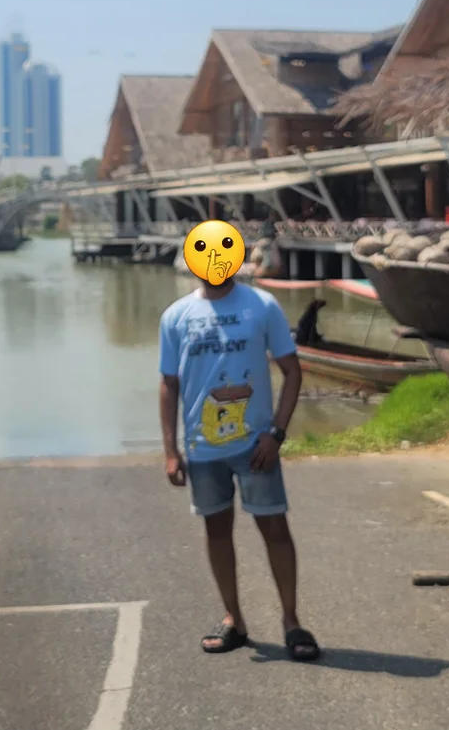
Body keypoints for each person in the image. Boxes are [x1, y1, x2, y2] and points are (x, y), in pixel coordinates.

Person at [159, 269, 321, 661]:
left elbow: (292, 371)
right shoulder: (176, 316)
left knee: (275, 528)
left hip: (256, 447)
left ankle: (292, 622)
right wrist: (170, 450)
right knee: (216, 530)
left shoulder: (262, 305)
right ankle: (234, 619)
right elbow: (169, 384)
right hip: (202, 450)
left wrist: (276, 433)